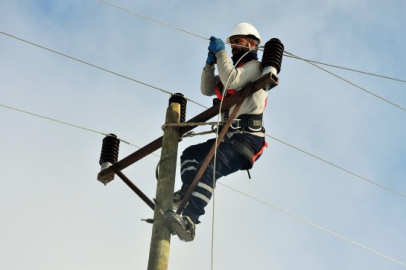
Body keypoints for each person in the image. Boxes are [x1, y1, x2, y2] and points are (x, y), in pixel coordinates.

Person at [164, 23, 268, 242]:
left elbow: (231, 79)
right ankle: (187, 191)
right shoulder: (230, 70)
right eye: (231, 43)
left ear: (252, 44)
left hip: (247, 139)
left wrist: (220, 53)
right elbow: (207, 88)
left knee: (211, 167)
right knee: (191, 155)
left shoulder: (254, 68)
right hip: (230, 137)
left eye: (237, 42)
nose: (232, 47)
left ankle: (190, 221)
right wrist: (209, 64)